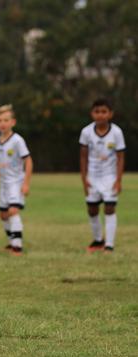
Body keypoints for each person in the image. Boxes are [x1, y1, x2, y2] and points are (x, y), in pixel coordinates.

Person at [79, 98, 125, 253]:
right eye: (97, 112)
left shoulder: (117, 132)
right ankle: (98, 241)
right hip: (92, 177)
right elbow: (83, 156)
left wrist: (118, 180)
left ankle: (109, 245)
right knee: (92, 209)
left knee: (109, 208)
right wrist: (84, 179)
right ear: (92, 113)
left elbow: (120, 157)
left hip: (110, 177)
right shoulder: (86, 132)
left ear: (110, 114)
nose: (100, 115)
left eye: (104, 112)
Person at [0, 105, 33, 255]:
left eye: (6, 120)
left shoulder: (17, 140)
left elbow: (29, 161)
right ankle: (11, 241)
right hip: (4, 184)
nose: (2, 123)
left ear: (13, 122)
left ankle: (17, 246)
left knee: (13, 211)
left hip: (16, 182)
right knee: (3, 214)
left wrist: (26, 183)